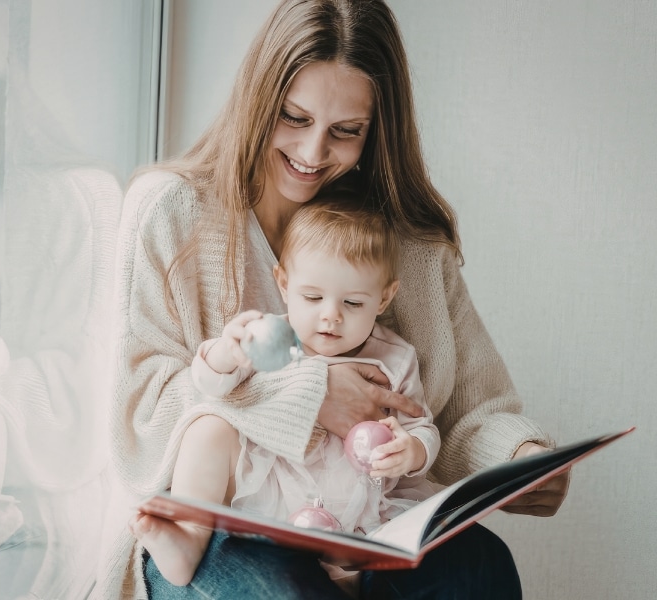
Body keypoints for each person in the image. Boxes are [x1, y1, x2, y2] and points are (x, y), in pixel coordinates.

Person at [106, 1, 571, 598]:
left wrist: (521, 458)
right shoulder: (170, 210)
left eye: (345, 131)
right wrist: (309, 394)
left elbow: (465, 412)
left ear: (377, 129)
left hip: (362, 522)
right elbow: (139, 417)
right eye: (292, 117)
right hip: (217, 523)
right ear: (257, 100)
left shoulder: (405, 242)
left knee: (480, 565)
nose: (311, 152)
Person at [139, 199, 443, 589]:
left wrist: (412, 451)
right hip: (270, 493)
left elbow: (420, 425)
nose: (330, 315)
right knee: (207, 427)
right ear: (284, 284)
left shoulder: (395, 359)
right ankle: (188, 537)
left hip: (353, 512)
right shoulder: (274, 338)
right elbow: (210, 387)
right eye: (313, 298)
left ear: (383, 298)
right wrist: (226, 353)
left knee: (366, 572)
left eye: (353, 303)